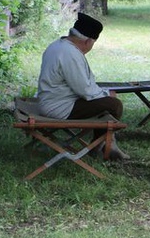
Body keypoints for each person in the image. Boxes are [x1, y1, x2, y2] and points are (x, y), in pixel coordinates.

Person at [36, 12, 129, 160]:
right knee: (114, 105)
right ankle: (98, 145)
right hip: (59, 107)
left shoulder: (58, 45)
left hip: (54, 101)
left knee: (107, 103)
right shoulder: (70, 53)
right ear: (88, 41)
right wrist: (106, 94)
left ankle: (107, 145)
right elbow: (84, 90)